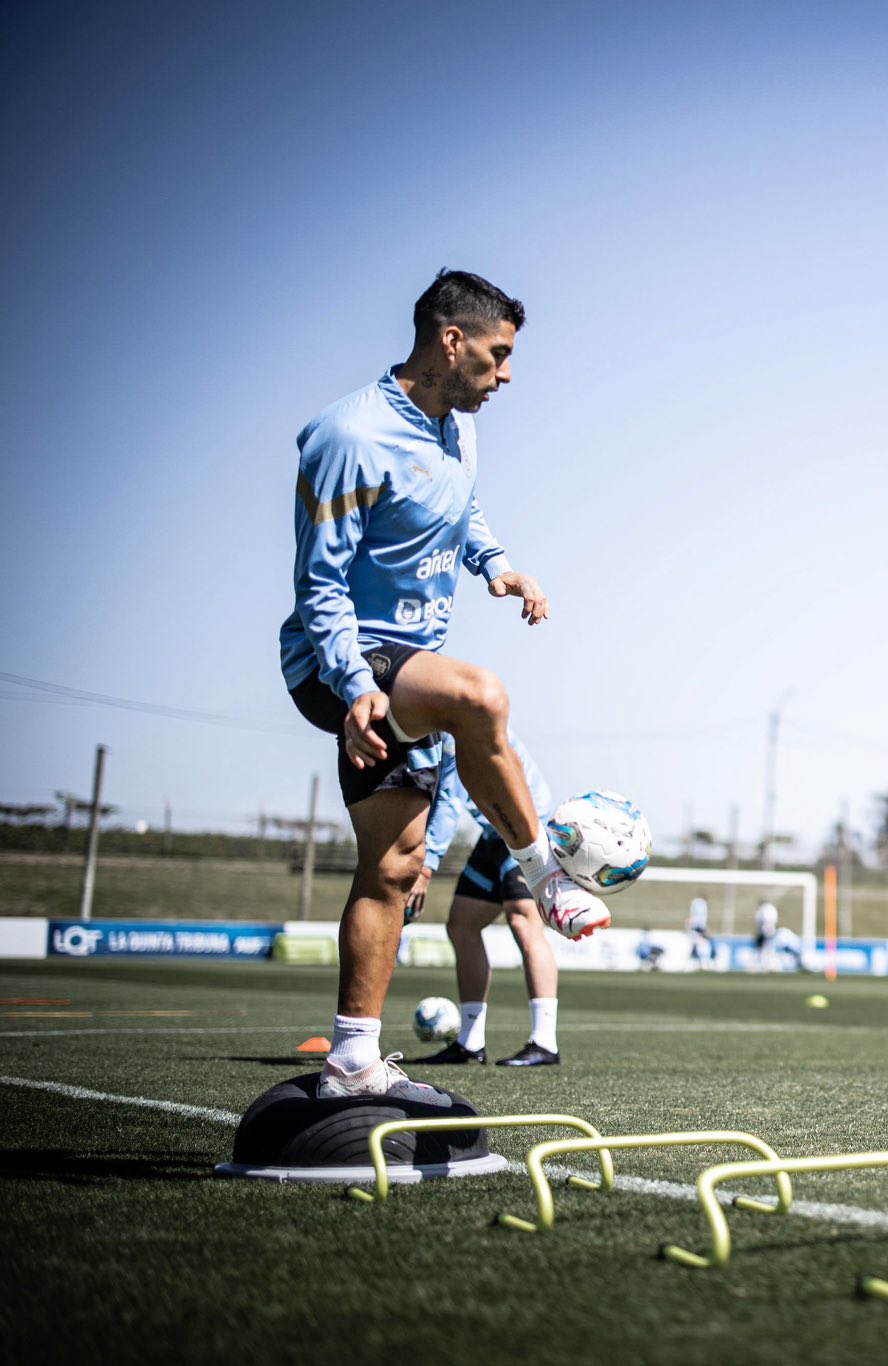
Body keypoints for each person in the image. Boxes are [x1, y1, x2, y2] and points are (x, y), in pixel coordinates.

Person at [280, 270, 608, 1103]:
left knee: (390, 870)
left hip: (404, 670)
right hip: (343, 663)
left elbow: (463, 509)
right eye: (498, 357)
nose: (506, 376)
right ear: (450, 340)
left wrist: (496, 567)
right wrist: (353, 682)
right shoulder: (348, 436)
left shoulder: (456, 429)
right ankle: (543, 873)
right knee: (481, 696)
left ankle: (353, 1057)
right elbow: (320, 585)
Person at [408, 731, 563, 1067]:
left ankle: (545, 1042)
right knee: (462, 924)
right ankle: (470, 1043)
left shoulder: (467, 729)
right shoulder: (447, 732)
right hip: (494, 834)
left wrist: (426, 867)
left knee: (524, 922)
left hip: (527, 828)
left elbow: (448, 802)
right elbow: (446, 797)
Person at [687, 896, 715, 966]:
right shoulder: (700, 907)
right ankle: (703, 960)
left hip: (697, 929)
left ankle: (697, 960)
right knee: (700, 944)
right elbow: (698, 921)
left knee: (698, 944)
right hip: (697, 929)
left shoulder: (697, 906)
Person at [753, 898, 779, 971]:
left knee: (764, 948)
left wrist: (758, 930)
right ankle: (770, 965)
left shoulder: (763, 909)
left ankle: (765, 965)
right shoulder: (772, 908)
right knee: (769, 947)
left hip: (766, 929)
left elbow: (761, 920)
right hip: (771, 928)